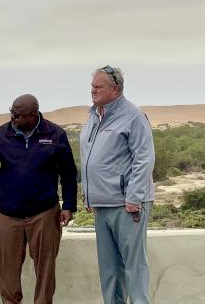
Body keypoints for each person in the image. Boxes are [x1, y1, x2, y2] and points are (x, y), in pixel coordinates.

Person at [0, 94, 78, 304]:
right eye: (11, 112)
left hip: (44, 213)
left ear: (33, 115)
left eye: (17, 115)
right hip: (8, 215)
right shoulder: (2, 133)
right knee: (8, 272)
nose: (12, 117)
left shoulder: (55, 134)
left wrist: (69, 206)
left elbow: (69, 173)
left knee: (45, 270)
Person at [80, 66, 155, 304]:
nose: (93, 90)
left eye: (98, 86)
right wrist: (88, 195)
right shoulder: (93, 115)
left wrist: (134, 197)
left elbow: (144, 158)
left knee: (133, 265)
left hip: (127, 205)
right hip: (101, 204)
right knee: (109, 269)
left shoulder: (133, 116)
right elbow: (90, 158)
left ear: (116, 89)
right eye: (92, 86)